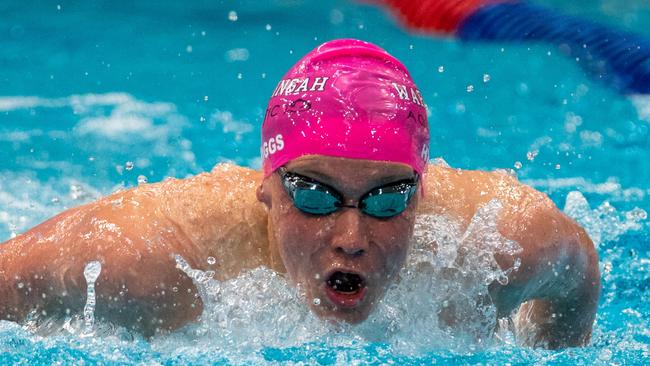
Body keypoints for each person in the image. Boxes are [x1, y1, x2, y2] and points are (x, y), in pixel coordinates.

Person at [0, 39, 599, 349]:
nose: (350, 238)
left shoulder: (502, 241)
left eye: (386, 200)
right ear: (267, 190)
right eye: (313, 195)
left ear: (421, 194)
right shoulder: (145, 260)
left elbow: (581, 271)